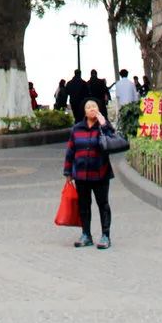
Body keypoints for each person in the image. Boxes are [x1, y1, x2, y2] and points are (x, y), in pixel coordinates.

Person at [63, 98, 117, 249]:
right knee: (84, 205)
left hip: (100, 173)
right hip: (81, 175)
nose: (92, 108)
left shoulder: (103, 127)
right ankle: (86, 234)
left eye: (94, 106)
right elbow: (70, 151)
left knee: (103, 204)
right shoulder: (77, 129)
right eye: (88, 107)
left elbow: (113, 141)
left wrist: (104, 124)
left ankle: (105, 236)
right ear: (85, 112)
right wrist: (68, 172)